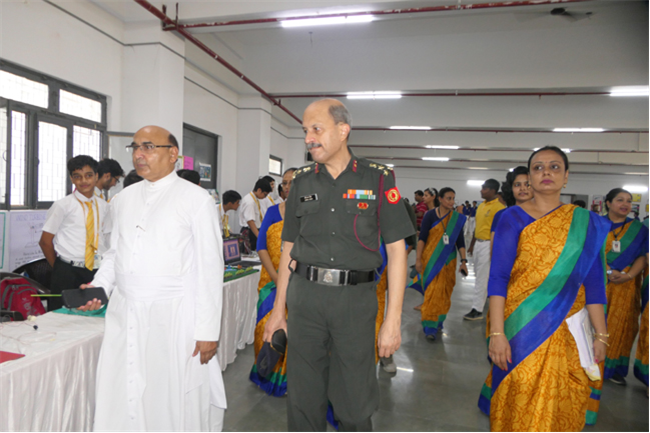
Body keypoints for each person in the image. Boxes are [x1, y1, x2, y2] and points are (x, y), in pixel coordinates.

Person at [263, 99, 414, 431]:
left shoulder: (378, 178)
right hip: (305, 299)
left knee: (354, 398)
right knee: (303, 397)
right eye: (305, 131)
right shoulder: (301, 181)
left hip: (354, 302)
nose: (309, 138)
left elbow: (397, 251)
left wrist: (392, 320)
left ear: (343, 130)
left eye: (316, 129)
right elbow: (289, 248)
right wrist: (278, 311)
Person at [79, 126, 226, 431]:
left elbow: (211, 267)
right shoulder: (123, 199)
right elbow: (114, 254)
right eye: (135, 147)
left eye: (148, 147)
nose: (138, 154)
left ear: (173, 154)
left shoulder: (196, 199)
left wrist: (208, 330)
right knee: (123, 389)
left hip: (173, 315)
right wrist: (99, 287)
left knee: (166, 396)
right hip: (125, 311)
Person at [478, 146, 610, 431]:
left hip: (570, 329)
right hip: (523, 325)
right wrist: (497, 333)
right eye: (538, 167)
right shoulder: (512, 217)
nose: (546, 172)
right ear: (530, 176)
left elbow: (594, 284)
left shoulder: (586, 223)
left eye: (554, 166)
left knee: (565, 398)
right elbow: (498, 277)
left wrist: (601, 335)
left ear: (566, 176)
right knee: (519, 393)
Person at [39, 155, 110, 311]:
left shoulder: (104, 206)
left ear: (96, 176)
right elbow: (45, 241)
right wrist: (59, 268)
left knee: (94, 315)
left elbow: (106, 238)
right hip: (68, 270)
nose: (84, 181)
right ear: (72, 179)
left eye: (89, 175)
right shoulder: (62, 205)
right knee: (62, 316)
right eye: (78, 176)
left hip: (96, 270)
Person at [249, 168, 295, 396]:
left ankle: (287, 381)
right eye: (284, 183)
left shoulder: (311, 215)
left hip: (299, 285)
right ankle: (265, 373)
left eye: (292, 182)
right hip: (270, 282)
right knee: (265, 330)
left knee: (293, 334)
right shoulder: (273, 212)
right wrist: (278, 279)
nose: (287, 187)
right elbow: (261, 246)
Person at [602, 188, 649, 386]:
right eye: (620, 200)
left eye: (629, 201)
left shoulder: (639, 229)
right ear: (608, 203)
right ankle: (589, 364)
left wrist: (628, 275)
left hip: (627, 285)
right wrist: (608, 270)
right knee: (594, 322)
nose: (625, 204)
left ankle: (613, 368)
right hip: (598, 282)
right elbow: (588, 252)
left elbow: (643, 257)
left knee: (623, 326)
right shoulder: (596, 225)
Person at [414, 187, 467, 341]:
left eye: (453, 198)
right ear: (440, 199)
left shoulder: (456, 218)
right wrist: (418, 259)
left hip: (449, 261)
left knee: (445, 292)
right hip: (430, 259)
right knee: (432, 292)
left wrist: (464, 261)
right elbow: (422, 238)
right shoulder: (430, 215)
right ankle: (429, 325)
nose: (452, 201)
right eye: (449, 198)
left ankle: (438, 321)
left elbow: (460, 241)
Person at [464, 179, 506, 321]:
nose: (481, 191)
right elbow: (478, 226)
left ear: (493, 191)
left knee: (482, 278)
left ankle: (477, 309)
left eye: (484, 188)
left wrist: (496, 250)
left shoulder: (499, 208)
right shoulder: (481, 206)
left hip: (489, 244)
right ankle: (484, 300)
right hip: (478, 244)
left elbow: (500, 231)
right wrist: (472, 245)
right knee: (479, 275)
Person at [491, 166, 533, 244]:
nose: (523, 188)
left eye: (527, 184)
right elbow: (495, 245)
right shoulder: (502, 215)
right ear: (511, 188)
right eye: (517, 185)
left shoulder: (543, 215)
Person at [238, 178, 272, 251]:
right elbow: (250, 221)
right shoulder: (250, 201)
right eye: (265, 194)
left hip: (254, 231)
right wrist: (259, 237)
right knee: (251, 254)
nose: (265, 197)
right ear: (259, 190)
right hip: (250, 232)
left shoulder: (254, 199)